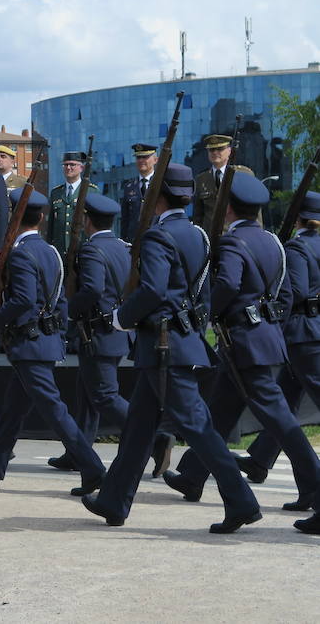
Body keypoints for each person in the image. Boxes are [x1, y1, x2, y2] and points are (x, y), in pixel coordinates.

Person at [81, 163, 261, 533]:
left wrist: (120, 318)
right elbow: (203, 293)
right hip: (177, 342)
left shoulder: (157, 236)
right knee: (137, 428)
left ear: (157, 195)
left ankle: (242, 501)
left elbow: (153, 290)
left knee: (197, 427)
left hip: (165, 346)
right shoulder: (199, 235)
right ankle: (114, 500)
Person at [163, 175, 320, 523]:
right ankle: (192, 475)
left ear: (229, 208)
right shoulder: (273, 242)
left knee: (280, 421)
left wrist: (205, 313)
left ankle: (315, 487)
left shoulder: (234, 243)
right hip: (261, 339)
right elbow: (286, 295)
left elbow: (229, 284)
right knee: (219, 409)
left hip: (244, 342)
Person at [0, 189, 106, 495]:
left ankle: (93, 467)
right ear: (43, 218)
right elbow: (60, 301)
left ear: (14, 216)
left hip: (29, 345)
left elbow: (22, 300)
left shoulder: (22, 254)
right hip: (42, 341)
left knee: (54, 410)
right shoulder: (50, 252)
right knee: (12, 412)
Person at [238, 191, 320, 508]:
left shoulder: (298, 247)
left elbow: (295, 290)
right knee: (283, 405)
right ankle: (261, 460)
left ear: (297, 217)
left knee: (287, 405)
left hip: (302, 333)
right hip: (311, 331)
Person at [48, 193, 131, 470]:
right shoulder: (121, 246)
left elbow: (93, 289)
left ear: (87, 220)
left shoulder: (92, 250)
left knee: (105, 396)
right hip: (112, 330)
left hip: (98, 333)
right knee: (87, 398)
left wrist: (68, 310)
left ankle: (155, 436)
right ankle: (78, 452)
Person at [192, 134, 258, 231]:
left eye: (220, 149)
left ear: (229, 151)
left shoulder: (243, 174)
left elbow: (255, 211)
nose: (215, 152)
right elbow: (198, 215)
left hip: (237, 236)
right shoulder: (201, 179)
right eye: (211, 150)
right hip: (211, 239)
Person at [48, 151, 99, 257]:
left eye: (72, 164)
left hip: (83, 250)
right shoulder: (56, 192)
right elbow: (51, 226)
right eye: (65, 164)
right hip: (60, 251)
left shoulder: (91, 191)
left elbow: (98, 223)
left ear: (81, 168)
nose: (68, 167)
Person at [119, 144, 157, 242]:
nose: (141, 160)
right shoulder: (129, 186)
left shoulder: (161, 184)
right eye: (138, 157)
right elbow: (125, 219)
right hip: (134, 241)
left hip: (156, 239)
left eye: (145, 157)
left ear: (155, 160)